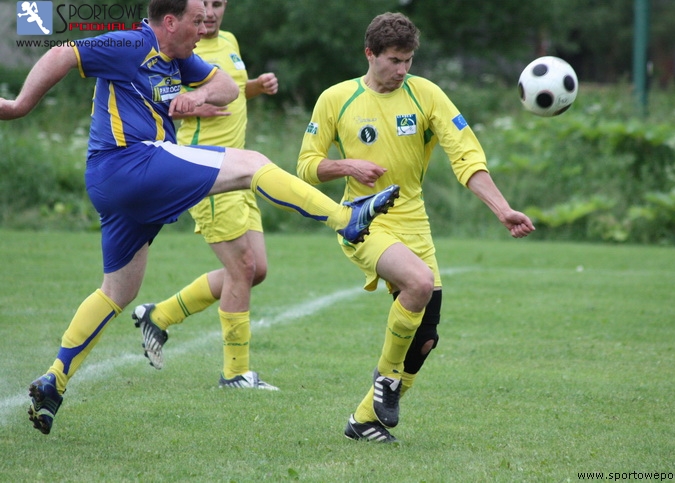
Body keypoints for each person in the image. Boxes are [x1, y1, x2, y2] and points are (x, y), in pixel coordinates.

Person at [0, 0, 399, 435]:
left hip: (116, 183)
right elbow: (63, 53)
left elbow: (226, 86)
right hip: (129, 161)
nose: (204, 24)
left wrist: (199, 95)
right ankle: (345, 218)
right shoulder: (130, 43)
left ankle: (54, 380)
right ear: (170, 22)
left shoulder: (180, 57)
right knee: (252, 164)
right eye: (196, 19)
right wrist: (20, 106)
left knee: (118, 290)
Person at [297, 12, 535, 442]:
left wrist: (502, 209)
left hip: (414, 221)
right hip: (362, 219)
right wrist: (348, 165)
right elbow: (307, 166)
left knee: (425, 339)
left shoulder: (426, 94)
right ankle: (386, 378)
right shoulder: (336, 98)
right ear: (370, 54)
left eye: (408, 61)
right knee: (419, 283)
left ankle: (363, 420)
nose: (402, 70)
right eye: (394, 60)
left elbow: (465, 155)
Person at [131, 0, 280, 391]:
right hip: (207, 172)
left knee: (255, 270)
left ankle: (159, 316)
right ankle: (235, 373)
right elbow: (158, 102)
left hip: (240, 171)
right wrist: (193, 108)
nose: (211, 13)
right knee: (242, 268)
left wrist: (256, 87)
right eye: (204, 4)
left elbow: (231, 91)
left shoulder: (229, 40)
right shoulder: (179, 47)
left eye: (218, 4)